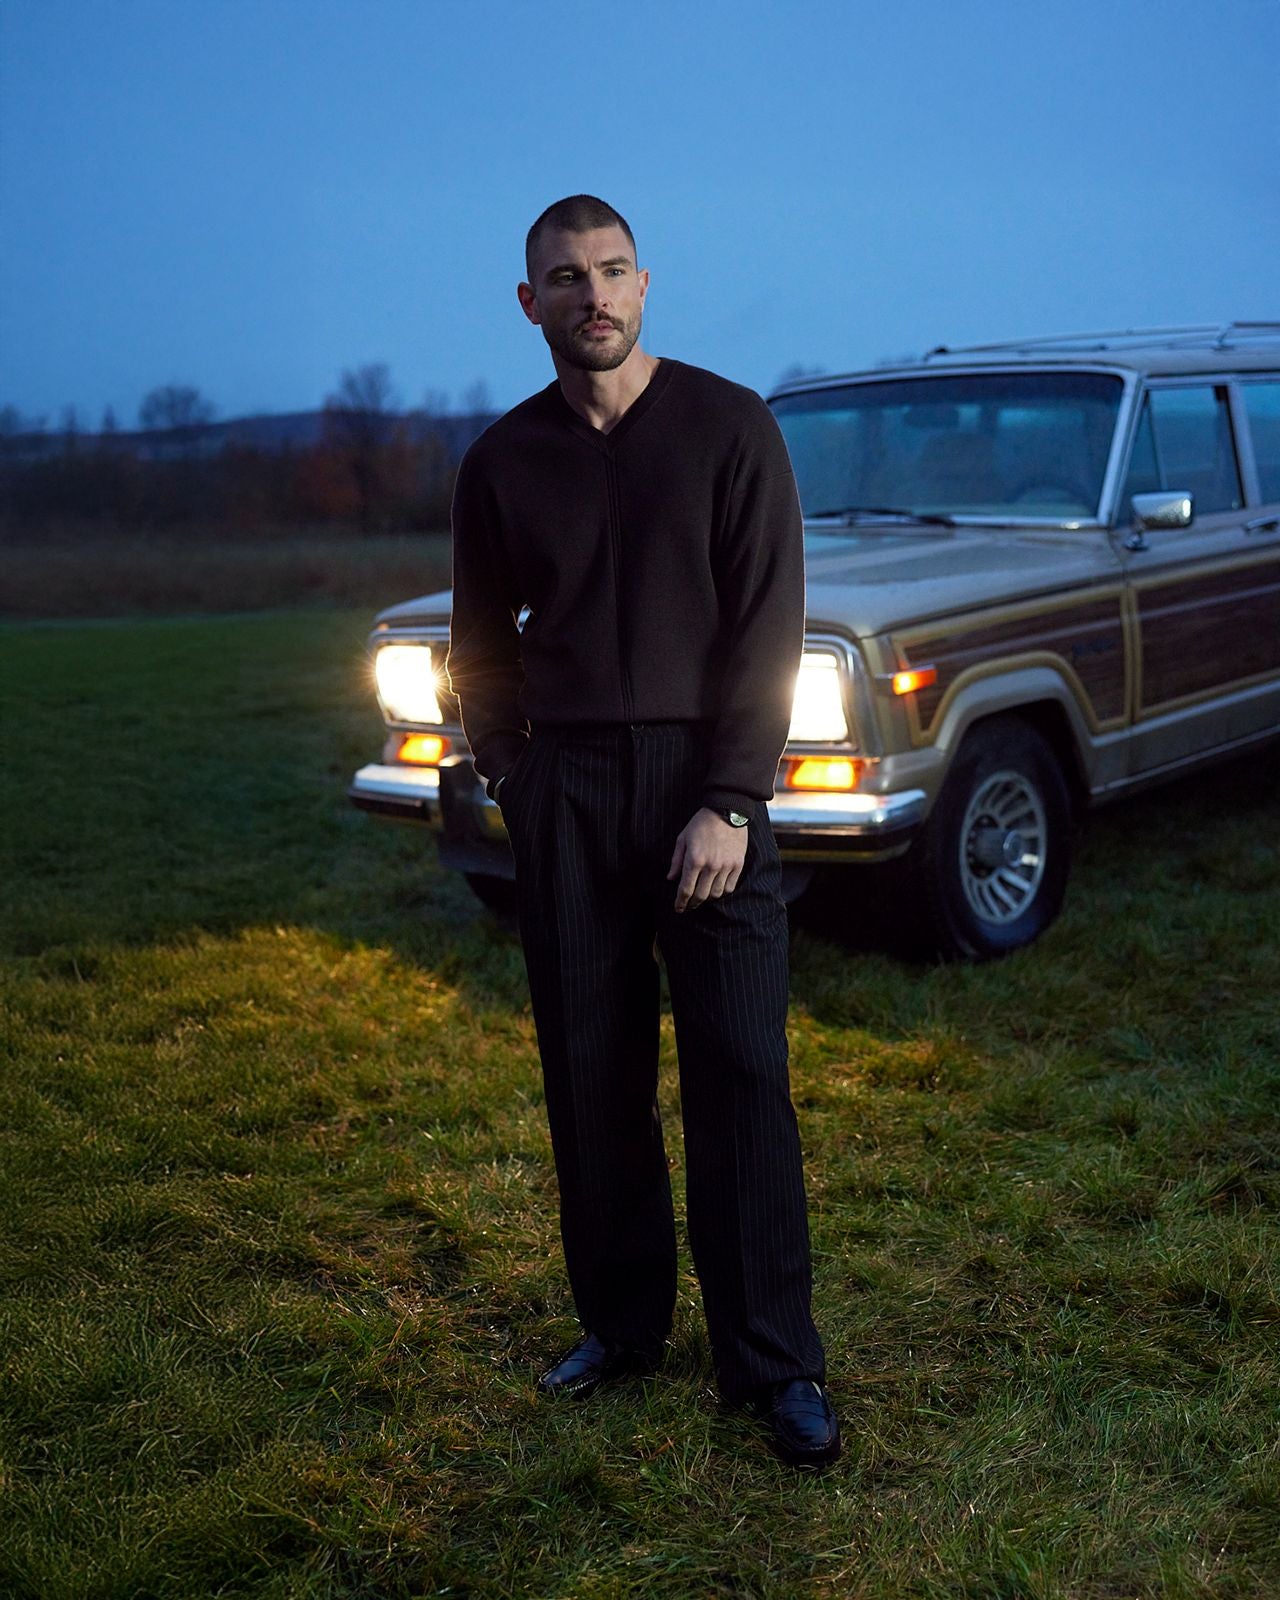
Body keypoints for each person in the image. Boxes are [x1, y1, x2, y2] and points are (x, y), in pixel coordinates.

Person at [446, 195, 839, 1468]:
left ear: (644, 284)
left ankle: (772, 1362)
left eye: (611, 271)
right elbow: (475, 643)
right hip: (565, 789)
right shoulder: (501, 461)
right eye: (565, 278)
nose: (593, 295)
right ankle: (620, 1328)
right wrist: (514, 772)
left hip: (701, 784)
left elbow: (769, 627)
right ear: (530, 303)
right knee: (590, 1071)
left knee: (740, 1070)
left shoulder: (729, 425)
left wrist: (729, 796)